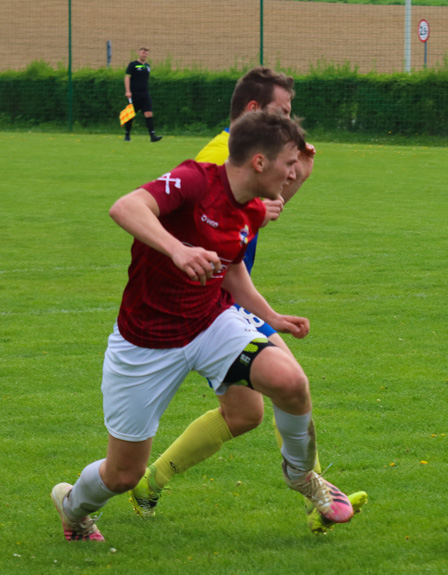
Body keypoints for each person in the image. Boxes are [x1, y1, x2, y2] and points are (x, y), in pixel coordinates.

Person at [51, 111, 355, 542]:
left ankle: (302, 476)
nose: (293, 174)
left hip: (210, 322)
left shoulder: (250, 209)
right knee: (122, 474)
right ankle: (74, 510)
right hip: (146, 343)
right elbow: (125, 206)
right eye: (289, 164)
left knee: (290, 381)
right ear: (259, 163)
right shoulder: (195, 180)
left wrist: (271, 317)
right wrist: (178, 249)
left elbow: (231, 272)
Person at [127, 67, 366, 534]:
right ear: (254, 113)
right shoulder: (220, 155)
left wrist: (298, 176)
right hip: (212, 301)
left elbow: (260, 213)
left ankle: (151, 481)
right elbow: (235, 212)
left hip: (227, 293)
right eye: (283, 113)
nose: (289, 125)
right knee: (288, 382)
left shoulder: (251, 156)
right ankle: (316, 490)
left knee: (245, 413)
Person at [124, 47, 162, 142]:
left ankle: (152, 136)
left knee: (148, 114)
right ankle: (127, 135)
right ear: (139, 53)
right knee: (131, 115)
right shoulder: (133, 65)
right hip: (134, 94)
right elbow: (127, 77)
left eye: (146, 53)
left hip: (145, 94)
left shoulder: (147, 66)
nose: (144, 54)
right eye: (143, 52)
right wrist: (128, 91)